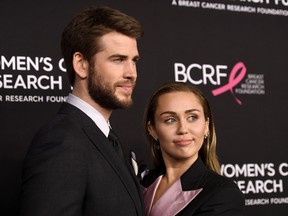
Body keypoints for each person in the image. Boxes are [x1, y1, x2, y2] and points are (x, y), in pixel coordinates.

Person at [20, 6, 144, 216]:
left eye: (134, 61)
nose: (131, 73)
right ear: (81, 65)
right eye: (118, 59)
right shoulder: (61, 141)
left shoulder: (104, 137)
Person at [141, 82, 245, 216]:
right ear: (152, 129)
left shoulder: (224, 194)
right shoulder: (139, 183)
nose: (183, 129)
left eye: (192, 117)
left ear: (206, 126)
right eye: (170, 120)